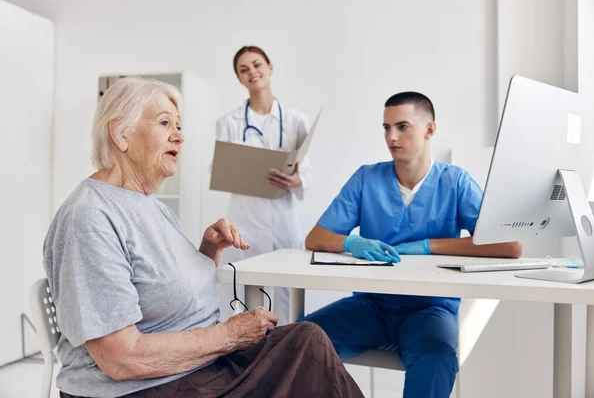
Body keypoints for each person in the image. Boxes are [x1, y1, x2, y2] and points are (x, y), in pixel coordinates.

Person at [44, 77, 363, 398]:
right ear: (120, 133)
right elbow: (120, 358)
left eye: (179, 125)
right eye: (165, 122)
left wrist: (208, 250)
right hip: (140, 387)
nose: (179, 136)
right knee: (307, 357)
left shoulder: (151, 206)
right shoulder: (89, 217)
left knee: (306, 340)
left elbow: (164, 290)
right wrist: (230, 336)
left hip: (192, 367)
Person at [300, 92, 522, 398]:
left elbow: (510, 246)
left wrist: (431, 246)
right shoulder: (367, 179)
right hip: (371, 306)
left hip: (430, 309)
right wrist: (352, 241)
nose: (391, 136)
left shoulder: (455, 182)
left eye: (402, 126)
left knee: (437, 358)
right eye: (386, 127)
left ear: (429, 130)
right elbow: (316, 238)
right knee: (299, 339)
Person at [216, 46, 313, 323]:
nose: (252, 73)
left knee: (288, 293)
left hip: (283, 216)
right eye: (243, 70)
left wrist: (296, 180)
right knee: (245, 291)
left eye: (257, 65)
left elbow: (306, 170)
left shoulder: (296, 119)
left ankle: (288, 353)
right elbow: (221, 167)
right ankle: (247, 356)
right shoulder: (228, 122)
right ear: (238, 78)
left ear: (270, 67)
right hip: (245, 218)